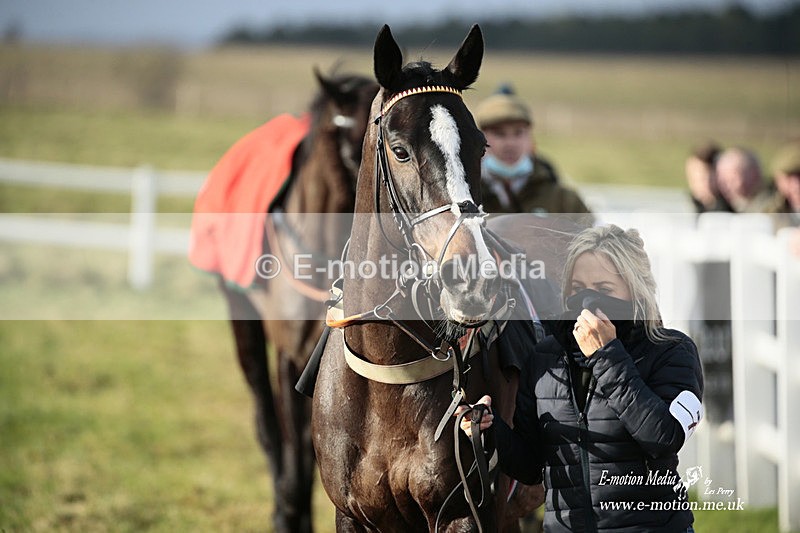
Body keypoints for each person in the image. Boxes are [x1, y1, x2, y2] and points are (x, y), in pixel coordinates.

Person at [456, 225, 704, 532]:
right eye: (577, 288)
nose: (588, 300)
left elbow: (663, 438)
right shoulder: (545, 357)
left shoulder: (672, 351)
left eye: (604, 289)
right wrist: (490, 430)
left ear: (635, 290)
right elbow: (532, 467)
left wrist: (607, 356)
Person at [473, 85, 593, 221]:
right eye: (499, 134)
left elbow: (598, 238)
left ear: (531, 139)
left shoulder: (563, 200)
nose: (510, 143)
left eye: (518, 133)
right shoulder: (467, 199)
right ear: (479, 139)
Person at [685, 140, 733, 214]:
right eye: (691, 176)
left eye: (701, 178)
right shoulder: (687, 207)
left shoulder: (734, 209)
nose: (694, 183)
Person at [714, 147, 765, 213]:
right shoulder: (725, 207)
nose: (725, 186)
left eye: (732, 179)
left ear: (753, 175)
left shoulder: (771, 209)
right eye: (722, 179)